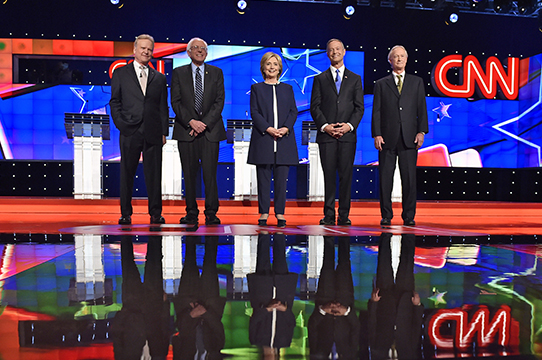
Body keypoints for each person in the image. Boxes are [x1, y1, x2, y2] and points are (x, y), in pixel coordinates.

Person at [110, 34, 168, 225]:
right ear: (135, 50)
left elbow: (162, 106)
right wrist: (121, 124)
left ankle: (155, 213)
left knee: (154, 174)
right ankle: (125, 213)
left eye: (149, 49)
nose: (146, 51)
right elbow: (115, 102)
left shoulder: (159, 78)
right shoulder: (121, 73)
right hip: (130, 130)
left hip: (152, 131)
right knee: (127, 173)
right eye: (142, 48)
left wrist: (163, 132)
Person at [372, 45, 429, 227]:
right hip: (387, 138)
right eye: (395, 56)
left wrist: (421, 131)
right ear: (390, 60)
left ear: (406, 59)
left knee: (409, 179)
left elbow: (422, 108)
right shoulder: (381, 84)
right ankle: (386, 215)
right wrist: (377, 134)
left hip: (409, 137)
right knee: (385, 179)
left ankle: (409, 216)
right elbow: (377, 111)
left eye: (402, 56)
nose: (399, 59)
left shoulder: (417, 82)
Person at [171, 37, 226, 226]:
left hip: (210, 131)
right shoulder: (178, 73)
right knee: (189, 173)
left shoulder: (216, 72)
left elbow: (219, 101)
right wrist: (191, 122)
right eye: (196, 48)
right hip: (186, 131)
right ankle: (191, 212)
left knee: (210, 174)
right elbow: (175, 102)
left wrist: (203, 123)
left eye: (203, 48)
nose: (200, 50)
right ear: (188, 52)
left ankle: (211, 212)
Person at [310, 38, 364, 226]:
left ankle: (344, 215)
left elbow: (359, 108)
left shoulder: (355, 79)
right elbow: (315, 107)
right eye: (331, 50)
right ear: (327, 53)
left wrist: (348, 126)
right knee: (329, 177)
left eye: (338, 49)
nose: (335, 52)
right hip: (327, 137)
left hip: (348, 137)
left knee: (346, 176)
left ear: (344, 51)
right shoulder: (320, 79)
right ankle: (329, 214)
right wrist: (326, 126)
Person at [248, 52, 298, 227]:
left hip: (284, 141)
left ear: (279, 68)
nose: (272, 67)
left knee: (281, 181)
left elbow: (293, 111)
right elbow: (254, 112)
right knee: (263, 180)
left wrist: (285, 128)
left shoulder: (287, 89)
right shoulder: (257, 89)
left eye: (275, 64)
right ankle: (263, 212)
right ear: (263, 67)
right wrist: (268, 129)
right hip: (264, 140)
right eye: (268, 64)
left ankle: (280, 213)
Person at [308, 236, 360, 358]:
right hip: (344, 299)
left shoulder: (317, 354)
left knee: (327, 264)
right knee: (344, 264)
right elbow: (356, 328)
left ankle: (329, 228)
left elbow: (312, 328)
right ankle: (344, 227)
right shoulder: (350, 355)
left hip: (325, 298)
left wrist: (322, 310)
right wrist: (346, 311)